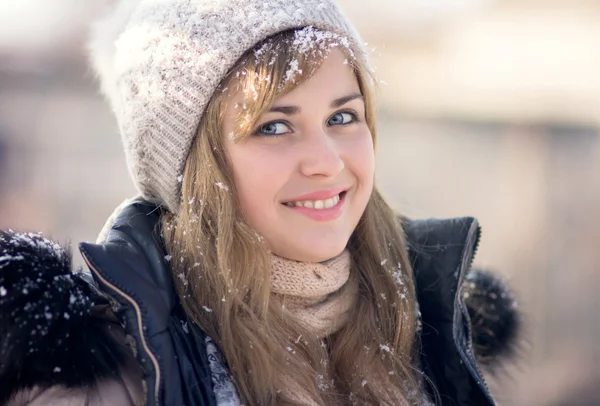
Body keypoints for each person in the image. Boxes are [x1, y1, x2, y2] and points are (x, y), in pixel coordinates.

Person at [0, 0, 519, 404]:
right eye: (274, 127)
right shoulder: (98, 379)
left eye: (342, 117)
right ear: (193, 172)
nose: (326, 161)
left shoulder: (435, 332)